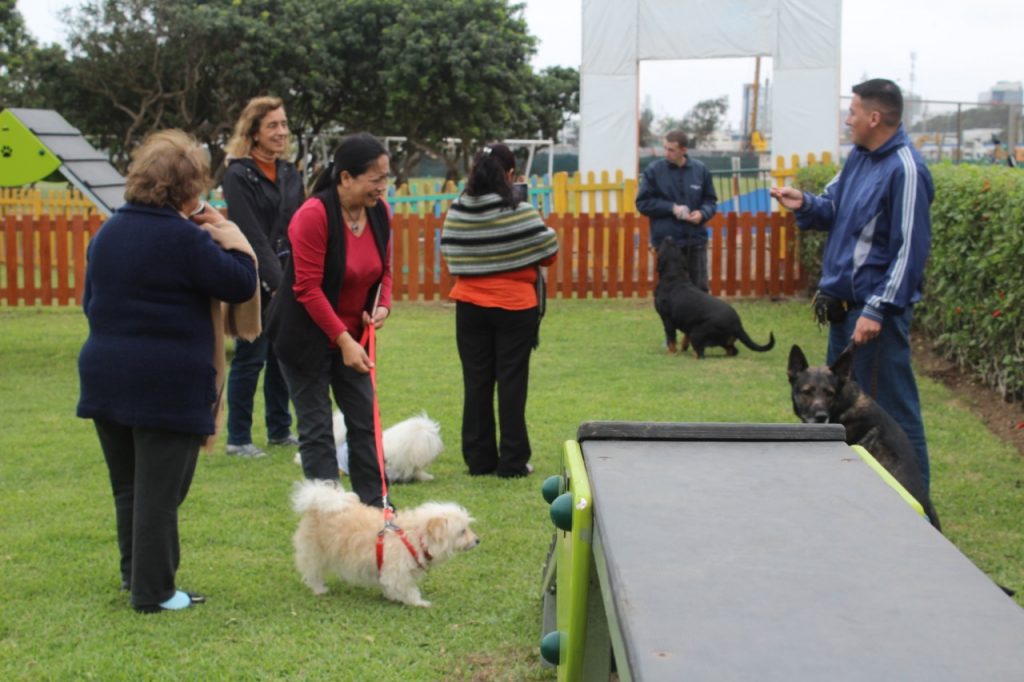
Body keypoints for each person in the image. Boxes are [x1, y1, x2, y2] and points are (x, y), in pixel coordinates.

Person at [77, 130, 259, 613]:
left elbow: (89, 303)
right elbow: (241, 282)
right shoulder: (184, 238)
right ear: (187, 188)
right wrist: (232, 237)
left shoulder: (108, 232)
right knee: (161, 492)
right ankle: (154, 592)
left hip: (104, 372)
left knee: (130, 486)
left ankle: (134, 575)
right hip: (166, 381)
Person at [770, 78, 935, 493]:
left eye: (853, 112)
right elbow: (833, 208)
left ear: (874, 117)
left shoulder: (906, 169)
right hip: (841, 312)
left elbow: (910, 251)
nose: (848, 120)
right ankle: (854, 497)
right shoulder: (859, 159)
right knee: (841, 413)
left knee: (894, 418)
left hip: (872, 317)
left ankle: (918, 509)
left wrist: (878, 309)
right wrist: (804, 203)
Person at [265, 133, 394, 507]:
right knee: (317, 429)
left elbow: (384, 270)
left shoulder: (380, 213)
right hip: (304, 336)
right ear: (346, 178)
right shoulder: (314, 216)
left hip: (355, 335)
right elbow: (306, 288)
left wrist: (382, 306)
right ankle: (330, 516)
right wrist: (342, 340)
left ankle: (375, 507)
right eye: (376, 179)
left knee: (364, 422)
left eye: (386, 178)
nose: (382, 187)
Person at [440, 144, 559, 478]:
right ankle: (512, 461)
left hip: (470, 306)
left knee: (476, 381)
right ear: (510, 175)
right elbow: (548, 250)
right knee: (511, 383)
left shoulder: (458, 209)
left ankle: (478, 460)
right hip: (515, 307)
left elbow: (451, 253)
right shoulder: (519, 210)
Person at [221, 96, 305, 458]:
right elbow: (251, 232)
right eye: (272, 125)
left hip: (289, 275)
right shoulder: (238, 174)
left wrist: (297, 278)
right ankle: (238, 438)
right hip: (251, 275)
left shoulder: (290, 173)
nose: (281, 132)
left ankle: (279, 429)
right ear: (253, 131)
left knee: (281, 355)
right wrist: (276, 282)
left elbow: (300, 225)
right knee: (250, 355)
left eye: (284, 125)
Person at [635, 130, 718, 291]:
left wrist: (702, 214)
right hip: (667, 243)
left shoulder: (700, 170)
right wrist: (671, 208)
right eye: (665, 148)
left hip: (696, 241)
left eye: (671, 150)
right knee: (672, 292)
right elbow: (642, 203)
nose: (666, 153)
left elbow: (710, 201)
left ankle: (699, 317)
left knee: (699, 290)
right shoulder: (653, 170)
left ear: (684, 150)